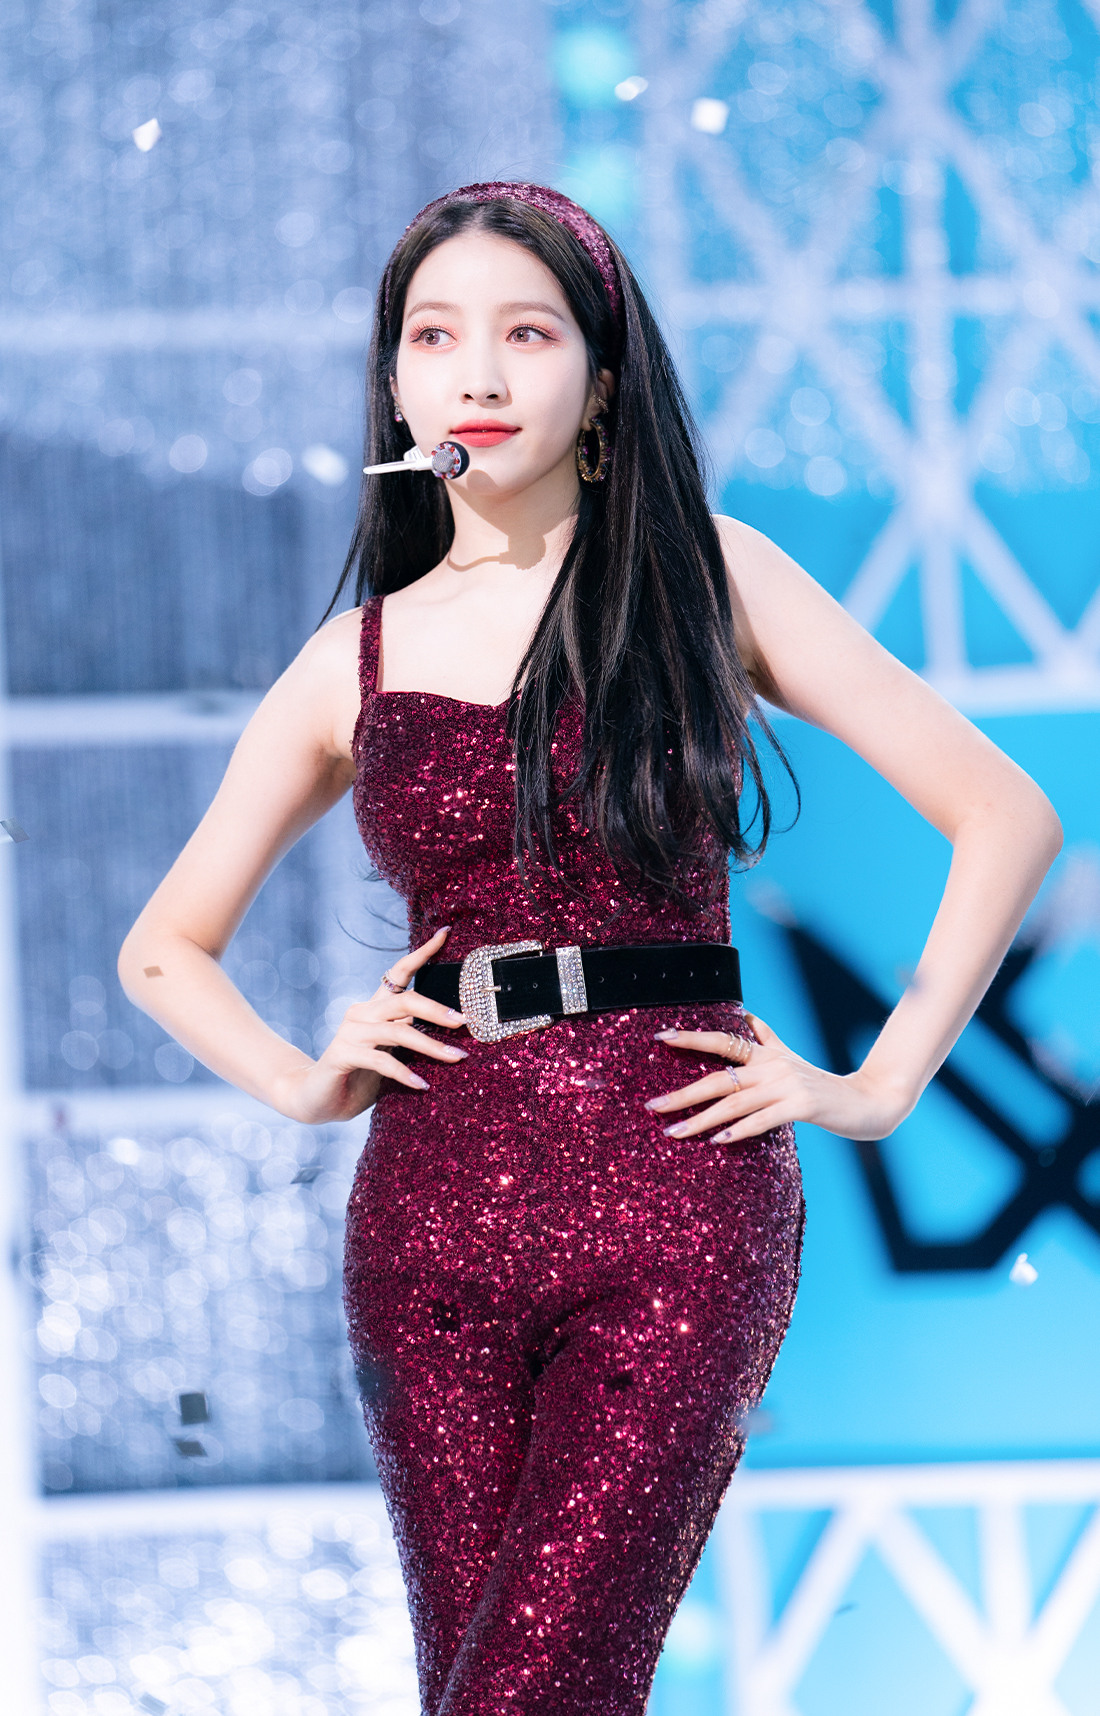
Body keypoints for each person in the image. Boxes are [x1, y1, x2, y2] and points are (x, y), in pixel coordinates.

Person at [119, 182, 1062, 1715]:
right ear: (395, 383)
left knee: (539, 1687)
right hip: (428, 1221)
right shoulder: (353, 657)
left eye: (528, 333)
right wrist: (304, 1080)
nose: (478, 375)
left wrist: (881, 1084)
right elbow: (163, 947)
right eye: (436, 337)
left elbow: (1004, 813)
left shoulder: (710, 577)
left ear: (604, 379)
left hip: (677, 1191)